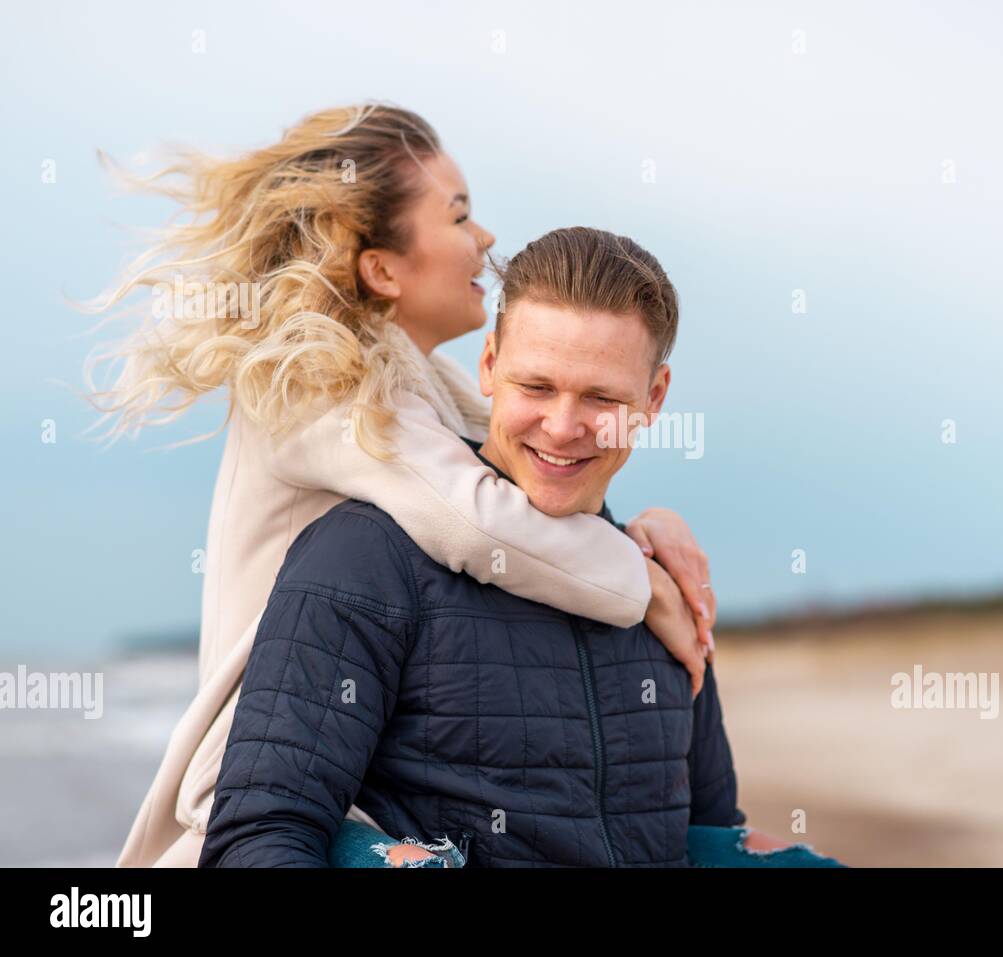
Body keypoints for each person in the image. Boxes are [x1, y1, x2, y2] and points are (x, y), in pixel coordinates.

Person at [84, 104, 717, 868]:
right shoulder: (318, 386)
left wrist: (647, 524)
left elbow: (536, 464)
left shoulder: (427, 388)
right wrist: (642, 584)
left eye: (604, 398)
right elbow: (481, 521)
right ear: (383, 267)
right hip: (268, 780)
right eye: (458, 215)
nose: (485, 239)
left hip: (347, 771)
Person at [199, 227, 842, 867]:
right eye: (536, 387)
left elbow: (710, 833)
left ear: (654, 397)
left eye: (601, 397)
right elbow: (259, 839)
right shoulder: (365, 559)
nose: (562, 427)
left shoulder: (659, 592)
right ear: (488, 366)